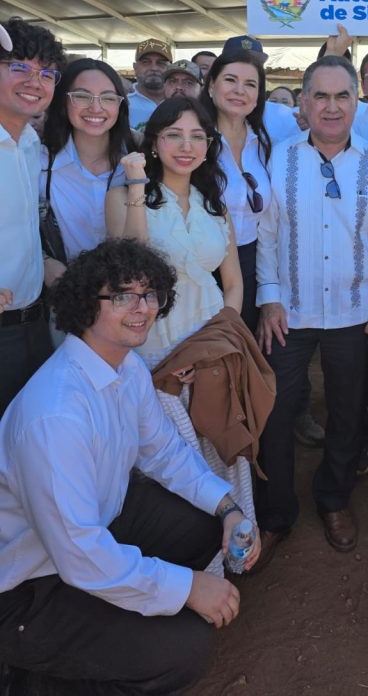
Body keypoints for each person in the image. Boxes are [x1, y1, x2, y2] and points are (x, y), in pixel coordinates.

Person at [0, 239, 257, 695]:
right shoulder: (56, 414)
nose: (142, 308)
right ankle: (37, 680)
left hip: (90, 539)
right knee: (185, 650)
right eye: (121, 296)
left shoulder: (127, 368)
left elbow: (165, 453)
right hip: (27, 589)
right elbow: (80, 554)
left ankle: (115, 619)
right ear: (85, 304)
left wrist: (227, 508)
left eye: (150, 294)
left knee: (203, 522)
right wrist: (187, 588)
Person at [255, 55, 368, 559]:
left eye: (343, 96)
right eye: (321, 95)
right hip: (288, 313)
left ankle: (333, 498)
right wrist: (269, 296)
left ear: (356, 102)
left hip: (354, 310)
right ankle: (274, 513)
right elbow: (267, 233)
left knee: (347, 412)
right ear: (303, 102)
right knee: (273, 413)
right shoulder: (279, 156)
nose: (332, 106)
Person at [106, 97, 253, 568]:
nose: (186, 146)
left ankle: (232, 555)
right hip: (152, 354)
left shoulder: (216, 204)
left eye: (197, 136)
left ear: (210, 145)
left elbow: (233, 283)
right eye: (173, 134)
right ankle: (183, 571)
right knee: (170, 464)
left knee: (219, 449)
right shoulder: (127, 197)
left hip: (211, 349)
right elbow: (128, 271)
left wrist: (216, 344)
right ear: (154, 141)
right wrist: (134, 184)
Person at [0, 18, 65, 415]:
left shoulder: (28, 142)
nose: (34, 82)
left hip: (32, 325)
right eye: (19, 67)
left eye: (47, 73)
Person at [199, 50, 272, 334]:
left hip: (252, 263)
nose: (240, 90)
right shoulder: (195, 138)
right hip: (203, 263)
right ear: (211, 85)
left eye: (250, 84)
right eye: (230, 80)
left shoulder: (264, 143)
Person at [40, 58, 135, 265]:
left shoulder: (138, 163)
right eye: (82, 96)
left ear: (121, 106)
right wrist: (44, 260)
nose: (95, 108)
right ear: (63, 102)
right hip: (63, 289)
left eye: (108, 98)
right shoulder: (40, 163)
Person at [220, 35, 301, 143]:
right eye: (235, 62)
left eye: (254, 64)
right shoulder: (198, 119)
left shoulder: (282, 116)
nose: (240, 90)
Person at [127, 38, 173, 130]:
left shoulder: (178, 99)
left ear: (170, 68)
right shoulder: (122, 98)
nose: (154, 68)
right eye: (146, 62)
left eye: (161, 63)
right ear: (135, 67)